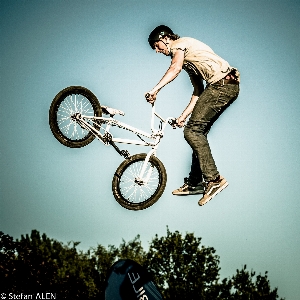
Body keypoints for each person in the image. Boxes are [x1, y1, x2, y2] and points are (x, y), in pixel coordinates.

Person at [146, 25, 240, 206]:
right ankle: (195, 182)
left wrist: (155, 90)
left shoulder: (179, 45)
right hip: (225, 86)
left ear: (165, 38)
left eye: (157, 46)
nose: (157, 51)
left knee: (192, 132)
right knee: (197, 133)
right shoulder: (189, 59)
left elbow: (175, 68)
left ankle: (214, 180)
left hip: (222, 85)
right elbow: (198, 91)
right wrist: (183, 116)